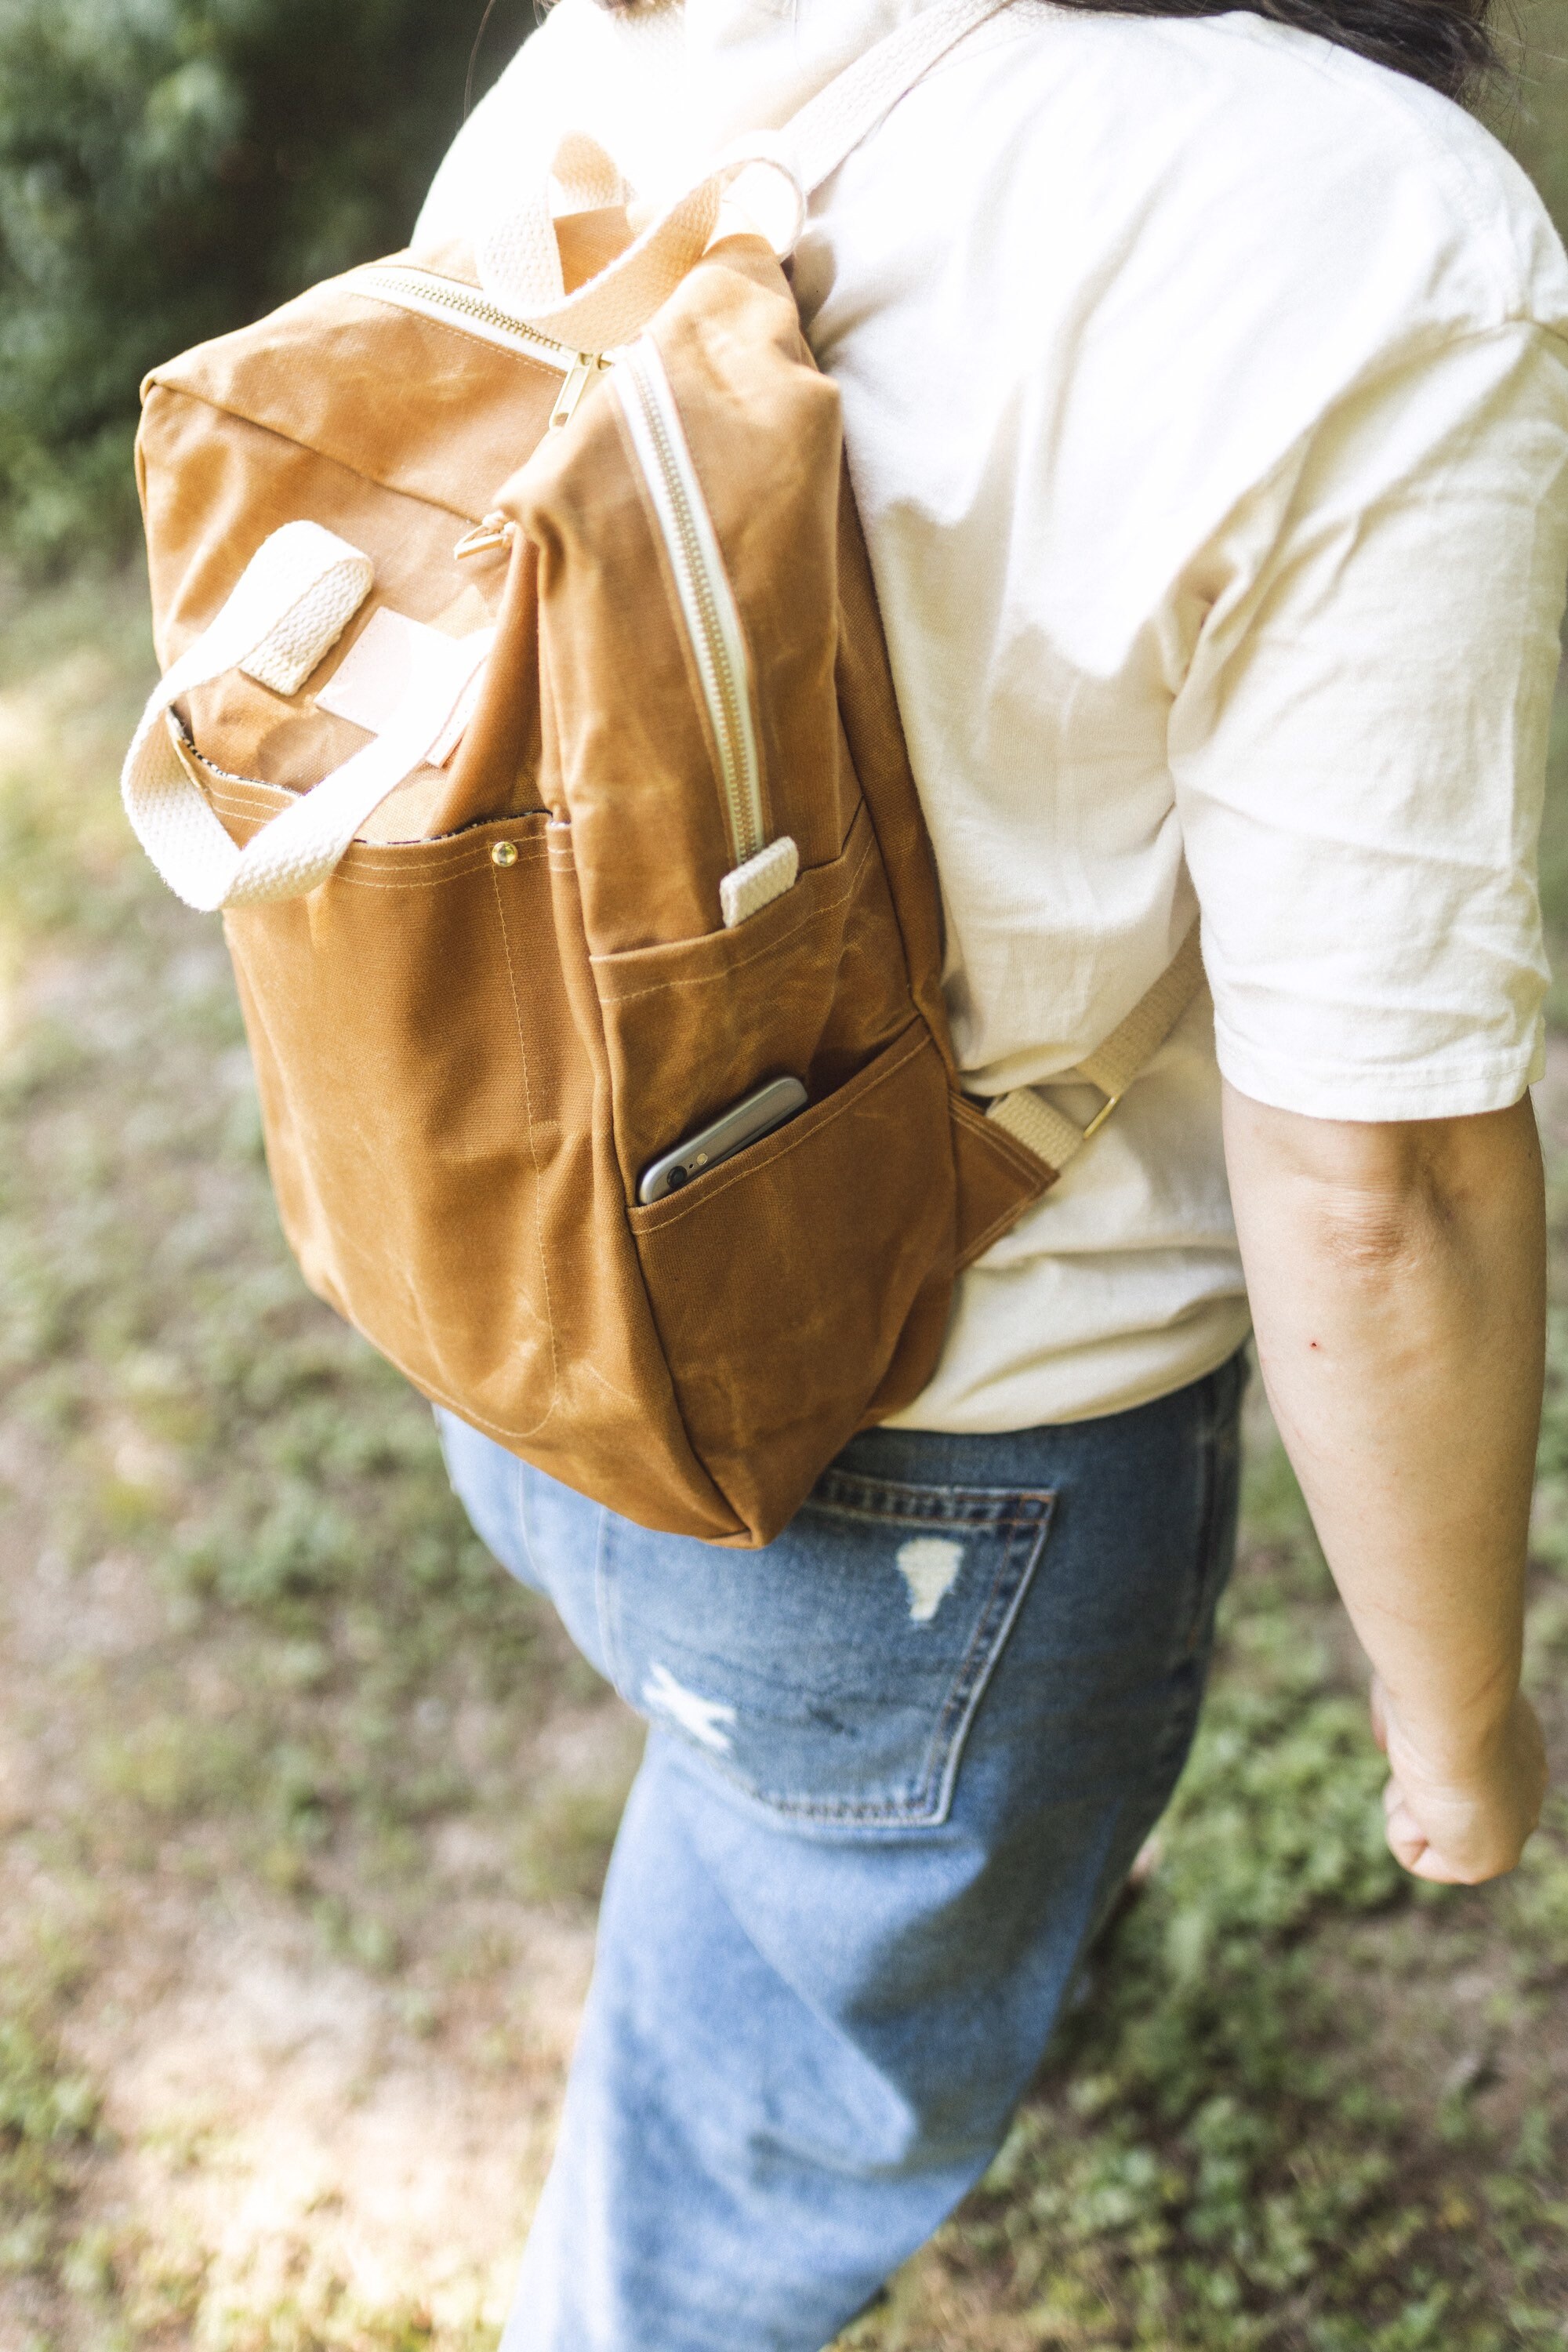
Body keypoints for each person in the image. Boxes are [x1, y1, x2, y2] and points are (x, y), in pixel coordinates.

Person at [417, 0, 1567, 2343]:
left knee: (791, 1822)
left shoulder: (639, 29)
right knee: (725, 2173)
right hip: (943, 1502)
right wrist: (1461, 1731)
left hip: (510, 1286)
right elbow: (1381, 1178)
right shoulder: (1366, 230)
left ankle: (973, 1912)